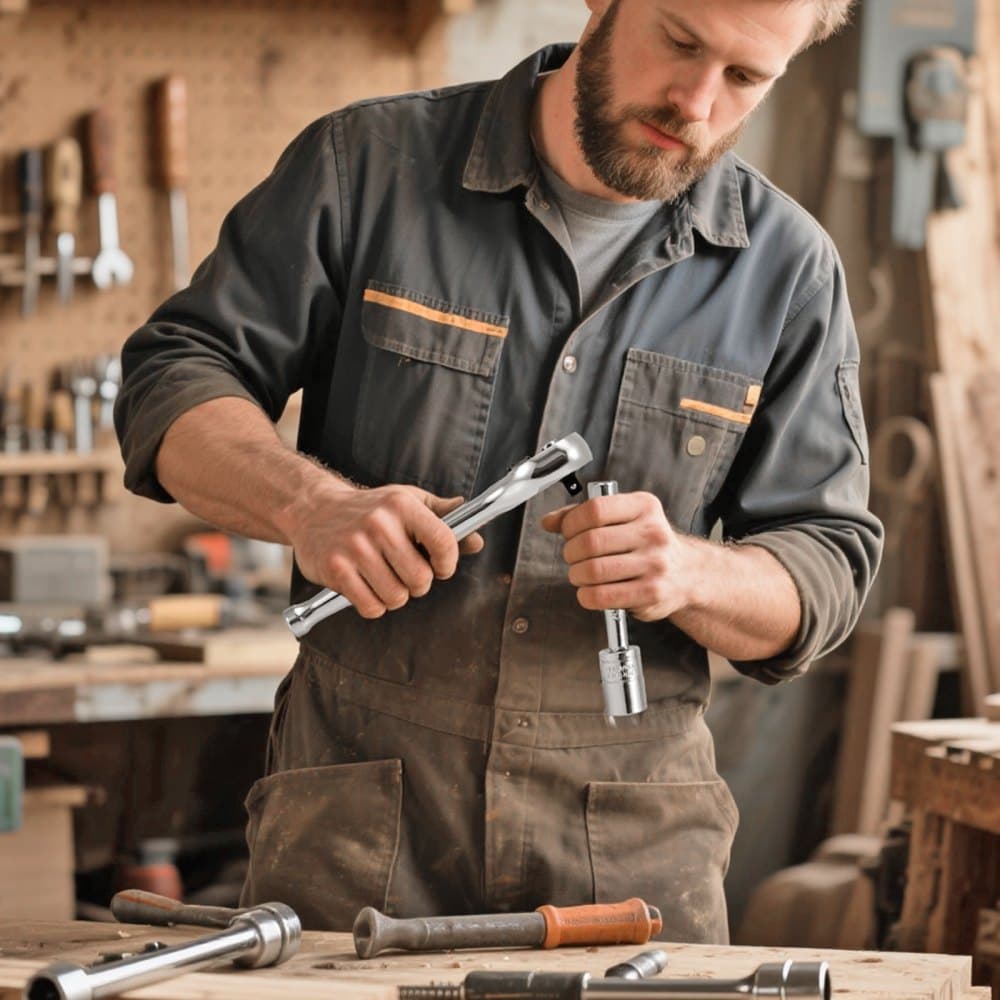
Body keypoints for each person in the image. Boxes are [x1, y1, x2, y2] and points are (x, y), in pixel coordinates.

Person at [116, 0, 882, 940]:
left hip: (632, 854)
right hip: (360, 822)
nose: (695, 101)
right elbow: (175, 376)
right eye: (679, 42)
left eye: (744, 78)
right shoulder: (367, 166)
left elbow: (829, 565)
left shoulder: (788, 270)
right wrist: (309, 503)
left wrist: (690, 572)